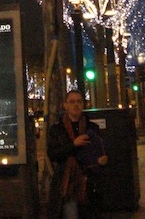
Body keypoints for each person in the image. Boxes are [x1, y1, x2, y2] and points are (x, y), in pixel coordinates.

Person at [47, 90, 108, 219]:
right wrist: (73, 144)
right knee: (71, 213)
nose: (76, 105)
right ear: (65, 105)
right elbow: (53, 154)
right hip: (69, 182)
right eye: (72, 102)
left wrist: (102, 160)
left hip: (90, 183)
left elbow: (100, 150)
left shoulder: (92, 128)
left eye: (79, 102)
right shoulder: (57, 129)